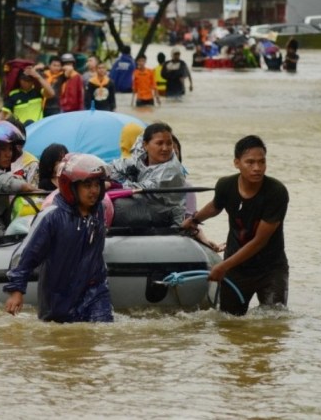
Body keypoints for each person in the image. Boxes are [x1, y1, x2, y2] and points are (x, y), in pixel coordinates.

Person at [180, 135, 289, 316]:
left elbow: (260, 241)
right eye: (250, 162)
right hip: (236, 268)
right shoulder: (226, 185)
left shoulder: (276, 192)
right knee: (228, 322)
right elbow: (216, 206)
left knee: (273, 323)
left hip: (270, 269)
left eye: (262, 162)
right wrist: (194, 220)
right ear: (236, 163)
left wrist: (223, 266)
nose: (257, 168)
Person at [4, 153, 114, 323]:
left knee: (101, 335)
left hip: (95, 291)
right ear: (71, 186)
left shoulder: (99, 210)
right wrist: (16, 291)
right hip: (59, 297)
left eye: (96, 185)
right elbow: (27, 254)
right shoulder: (51, 216)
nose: (94, 191)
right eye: (87, 185)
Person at [109, 122, 186, 227]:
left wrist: (113, 186)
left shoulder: (172, 171)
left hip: (167, 220)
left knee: (120, 205)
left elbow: (146, 187)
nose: (165, 148)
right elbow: (115, 168)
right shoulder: (140, 159)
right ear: (145, 145)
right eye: (159, 143)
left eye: (169, 143)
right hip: (143, 210)